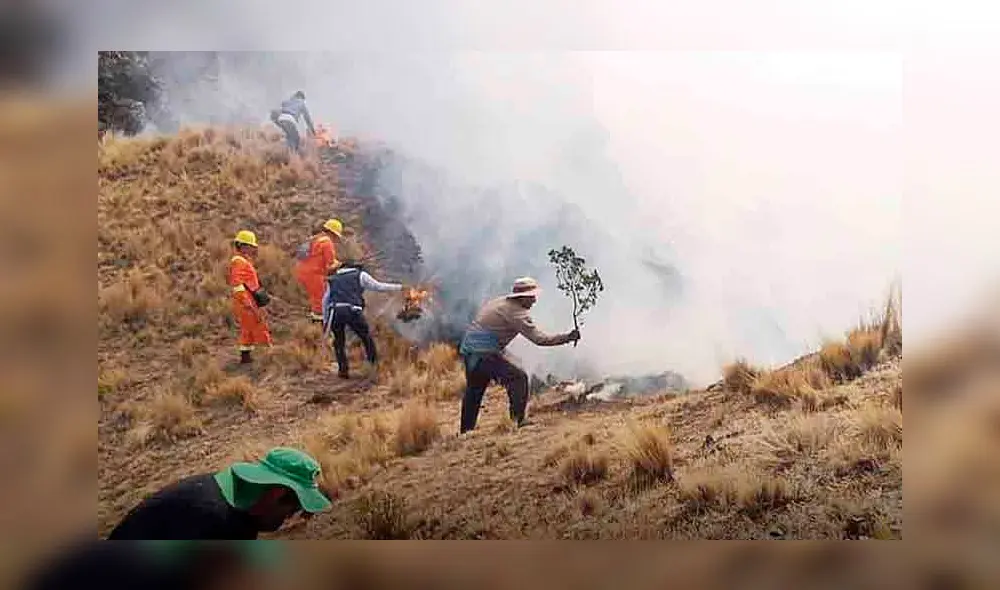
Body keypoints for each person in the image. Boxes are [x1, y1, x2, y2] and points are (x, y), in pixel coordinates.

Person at [107, 447, 332, 540]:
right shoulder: (218, 523)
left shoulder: (226, 492)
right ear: (276, 494)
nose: (288, 519)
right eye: (293, 508)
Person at [458, 277, 580, 434]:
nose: (535, 300)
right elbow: (540, 339)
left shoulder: (499, 302)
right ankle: (518, 421)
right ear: (521, 297)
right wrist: (567, 337)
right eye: (532, 296)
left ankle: (466, 432)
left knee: (475, 389)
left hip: (469, 350)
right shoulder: (517, 313)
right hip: (484, 353)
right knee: (519, 378)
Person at [322, 258, 405, 378]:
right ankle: (374, 365)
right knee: (366, 337)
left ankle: (343, 371)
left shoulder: (334, 278)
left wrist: (325, 320)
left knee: (339, 342)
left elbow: (325, 300)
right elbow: (379, 286)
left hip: (335, 311)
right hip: (352, 310)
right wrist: (400, 287)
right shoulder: (360, 275)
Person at [229, 230, 273, 364]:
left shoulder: (242, 260)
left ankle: (245, 357)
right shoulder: (239, 262)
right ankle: (269, 354)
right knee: (259, 325)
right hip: (247, 301)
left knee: (247, 329)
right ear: (243, 246)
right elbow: (237, 284)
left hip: (246, 300)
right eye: (251, 246)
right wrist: (246, 302)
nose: (253, 249)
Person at [294, 219, 344, 323]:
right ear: (333, 233)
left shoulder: (315, 238)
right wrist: (341, 265)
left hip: (302, 271)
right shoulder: (327, 242)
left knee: (315, 299)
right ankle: (319, 325)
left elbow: (316, 257)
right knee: (320, 301)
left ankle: (315, 320)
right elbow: (330, 264)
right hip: (314, 274)